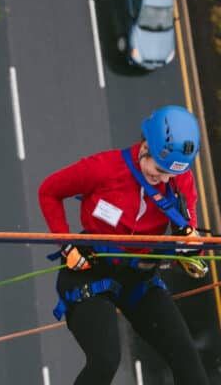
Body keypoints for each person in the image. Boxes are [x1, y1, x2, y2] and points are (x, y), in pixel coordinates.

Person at [38, 105, 209, 385]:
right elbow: (49, 191)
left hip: (139, 278)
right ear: (145, 147)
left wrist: (190, 250)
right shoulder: (103, 169)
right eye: (159, 169)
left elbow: (191, 241)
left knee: (187, 359)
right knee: (105, 360)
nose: (164, 179)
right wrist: (67, 243)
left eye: (171, 175)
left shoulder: (181, 182)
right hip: (89, 269)